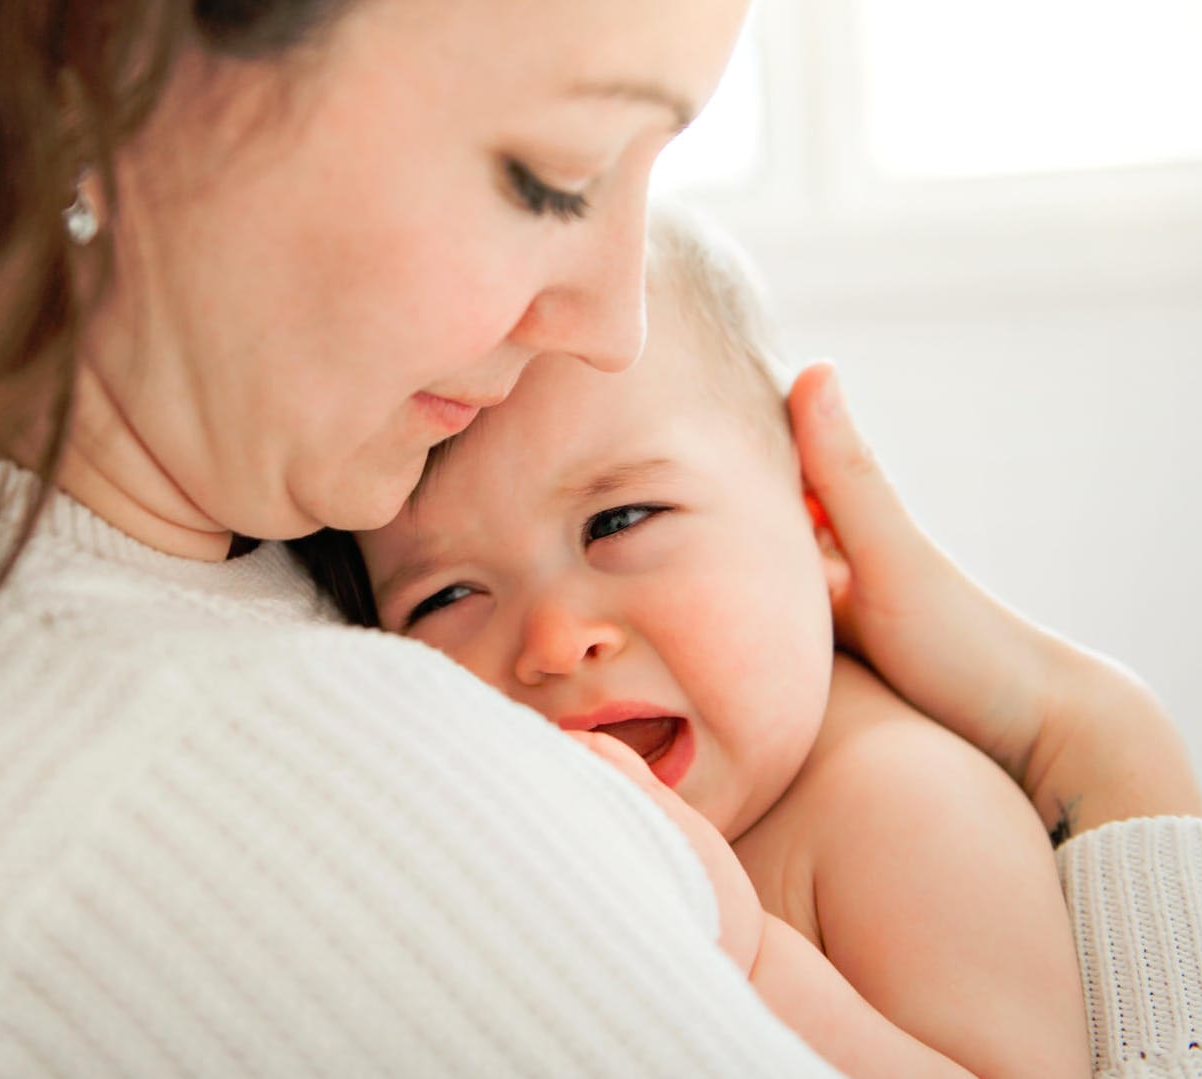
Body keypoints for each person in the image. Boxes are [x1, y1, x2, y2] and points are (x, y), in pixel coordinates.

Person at [0, 2, 1202, 1077]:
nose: (607, 314)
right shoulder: (255, 772)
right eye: (548, 173)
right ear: (109, 62)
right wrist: (1103, 750)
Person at [326, 212, 1091, 1077]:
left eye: (618, 521)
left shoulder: (902, 797)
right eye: (447, 594)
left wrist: (750, 961)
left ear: (816, 517)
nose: (553, 638)